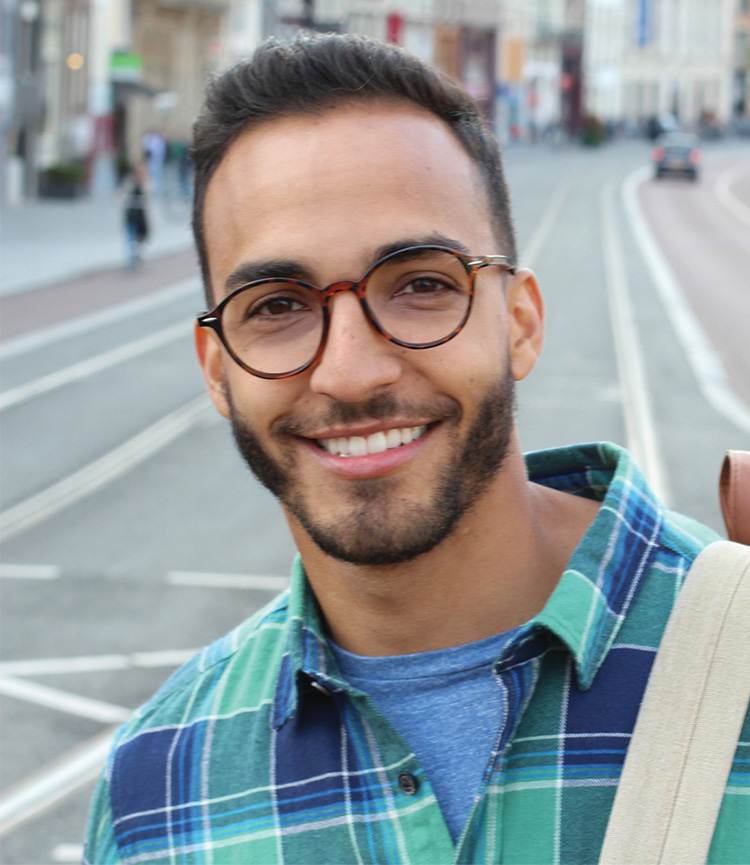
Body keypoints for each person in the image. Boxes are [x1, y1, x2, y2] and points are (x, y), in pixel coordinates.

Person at [84, 33, 748, 863]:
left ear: (521, 322)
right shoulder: (157, 791)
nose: (351, 372)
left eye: (422, 284)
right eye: (278, 305)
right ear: (218, 371)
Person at [122, 163, 149, 270]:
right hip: (132, 215)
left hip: (141, 216)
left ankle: (138, 258)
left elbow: (147, 198)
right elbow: (122, 195)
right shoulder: (130, 183)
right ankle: (131, 261)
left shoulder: (145, 184)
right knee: (130, 238)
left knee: (140, 238)